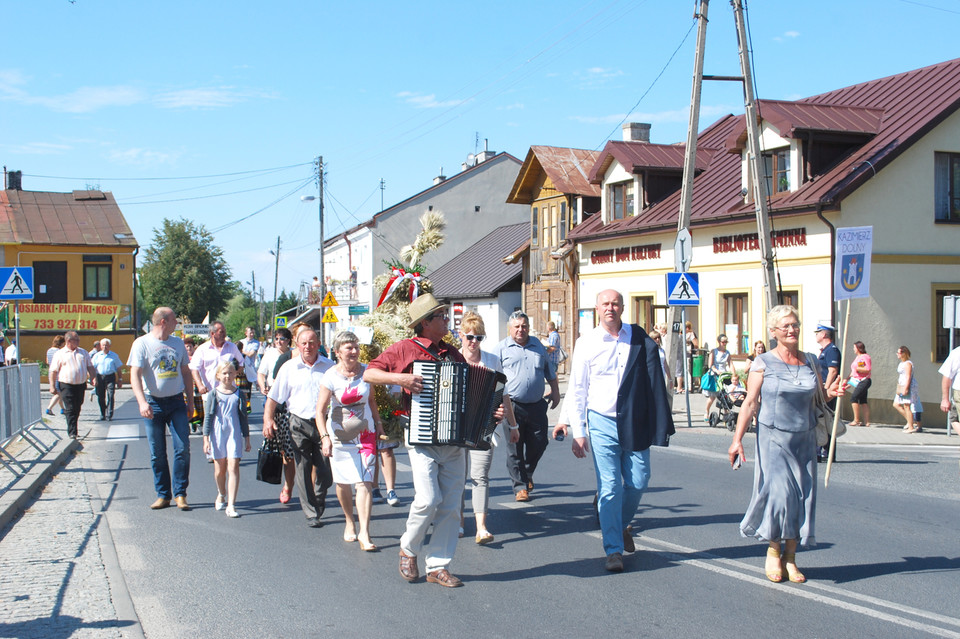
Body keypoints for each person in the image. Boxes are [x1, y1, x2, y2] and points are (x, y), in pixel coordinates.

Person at [553, 290, 675, 573]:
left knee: (639, 479)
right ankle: (613, 550)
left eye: (615, 304)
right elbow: (578, 388)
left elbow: (657, 374)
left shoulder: (638, 338)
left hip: (634, 420)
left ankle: (618, 526)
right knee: (610, 486)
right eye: (605, 304)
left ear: (622, 308)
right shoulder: (587, 343)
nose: (611, 308)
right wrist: (575, 428)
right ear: (597, 308)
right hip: (601, 421)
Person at [728, 306, 842, 584]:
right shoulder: (763, 362)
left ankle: (791, 558)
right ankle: (773, 549)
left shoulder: (812, 361)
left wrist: (832, 393)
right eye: (786, 326)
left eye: (795, 325)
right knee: (780, 496)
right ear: (774, 332)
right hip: (774, 437)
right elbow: (750, 403)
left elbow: (818, 399)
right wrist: (737, 439)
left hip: (804, 438)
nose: (792, 330)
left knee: (802, 497)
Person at [364, 293, 467, 587]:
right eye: (441, 316)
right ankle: (409, 548)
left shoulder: (452, 353)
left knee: (451, 505)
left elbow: (470, 390)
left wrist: (491, 410)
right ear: (425, 323)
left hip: (453, 439)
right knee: (428, 498)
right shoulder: (405, 349)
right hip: (421, 435)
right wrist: (402, 380)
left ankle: (438, 566)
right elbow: (370, 373)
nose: (446, 320)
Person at [317, 331, 384, 551]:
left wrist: (379, 423)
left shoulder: (367, 372)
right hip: (339, 435)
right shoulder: (330, 376)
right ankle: (349, 521)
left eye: (355, 347)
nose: (354, 351)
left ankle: (365, 531)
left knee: (364, 482)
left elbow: (372, 400)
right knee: (343, 483)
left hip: (365, 435)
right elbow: (320, 412)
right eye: (348, 347)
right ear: (337, 352)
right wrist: (324, 437)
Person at [458, 312, 518, 545]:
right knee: (457, 477)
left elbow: (503, 395)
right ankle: (459, 520)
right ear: (461, 336)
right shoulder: (453, 359)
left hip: (484, 426)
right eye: (470, 337)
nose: (474, 342)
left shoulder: (492, 360)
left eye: (479, 338)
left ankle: (481, 527)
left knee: (480, 476)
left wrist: (513, 424)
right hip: (457, 425)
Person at [264, 328, 334, 527]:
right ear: (297, 344)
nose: (308, 347)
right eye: (304, 343)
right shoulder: (289, 368)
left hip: (324, 425)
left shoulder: (330, 367)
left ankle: (319, 498)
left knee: (326, 472)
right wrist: (268, 419)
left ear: (318, 343)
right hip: (298, 422)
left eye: (312, 343)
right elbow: (274, 397)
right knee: (302, 468)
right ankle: (311, 512)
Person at [128, 308, 195, 510]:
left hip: (176, 402)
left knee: (182, 448)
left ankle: (180, 493)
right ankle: (163, 494)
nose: (177, 323)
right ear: (164, 322)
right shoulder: (142, 343)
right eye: (175, 320)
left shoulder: (177, 343)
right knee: (157, 452)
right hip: (153, 403)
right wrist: (141, 402)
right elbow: (135, 374)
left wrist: (190, 401)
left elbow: (185, 372)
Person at [493, 310, 561, 502]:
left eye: (524, 326)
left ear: (528, 328)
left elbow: (550, 371)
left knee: (540, 442)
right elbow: (492, 378)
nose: (520, 330)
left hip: (536, 404)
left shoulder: (538, 345)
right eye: (517, 327)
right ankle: (520, 486)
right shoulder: (500, 349)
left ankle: (527, 472)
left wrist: (555, 391)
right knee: (514, 447)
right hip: (512, 405)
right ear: (510, 328)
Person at [203, 360, 251, 518]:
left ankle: (231, 504)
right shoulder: (213, 394)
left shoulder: (239, 394)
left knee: (233, 467)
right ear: (218, 375)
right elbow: (208, 418)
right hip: (217, 434)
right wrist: (206, 438)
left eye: (231, 373)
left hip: (234, 433)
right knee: (219, 470)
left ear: (235, 374)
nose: (227, 376)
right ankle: (221, 493)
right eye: (224, 373)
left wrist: (247, 438)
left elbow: (243, 418)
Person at [258, 328, 296, 502]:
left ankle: (294, 487)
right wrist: (262, 386)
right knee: (282, 449)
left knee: (295, 452)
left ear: (289, 340)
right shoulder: (271, 354)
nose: (279, 341)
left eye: (282, 339)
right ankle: (286, 484)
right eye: (277, 339)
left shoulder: (296, 356)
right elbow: (262, 373)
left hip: (293, 405)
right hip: (276, 402)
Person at [49, 331, 97, 439]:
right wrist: (52, 386)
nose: (79, 341)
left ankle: (74, 427)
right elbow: (53, 371)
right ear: (69, 341)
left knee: (77, 406)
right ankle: (72, 432)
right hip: (66, 384)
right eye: (77, 340)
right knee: (70, 407)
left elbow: (90, 367)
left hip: (80, 384)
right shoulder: (60, 354)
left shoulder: (83, 352)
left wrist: (93, 377)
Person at [190, 321, 245, 401]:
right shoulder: (202, 349)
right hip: (210, 393)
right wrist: (200, 385)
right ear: (212, 333)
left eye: (225, 331)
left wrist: (234, 373)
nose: (224, 334)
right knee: (210, 413)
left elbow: (241, 362)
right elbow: (194, 369)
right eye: (221, 332)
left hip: (229, 393)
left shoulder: (232, 347)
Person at [814, 322, 841, 462]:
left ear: (824, 334)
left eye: (817, 332)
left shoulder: (832, 350)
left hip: (828, 390)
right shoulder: (825, 350)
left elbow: (833, 371)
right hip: (823, 388)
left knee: (826, 421)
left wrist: (826, 389)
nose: (816, 335)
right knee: (821, 420)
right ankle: (821, 450)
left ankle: (827, 451)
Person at [704, 333, 736, 420]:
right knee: (713, 396)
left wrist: (734, 375)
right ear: (719, 342)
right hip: (715, 373)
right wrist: (716, 371)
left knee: (726, 394)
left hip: (724, 374)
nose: (724, 344)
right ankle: (707, 411)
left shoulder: (727, 353)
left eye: (726, 342)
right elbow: (710, 365)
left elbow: (730, 364)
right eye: (723, 342)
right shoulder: (714, 351)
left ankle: (726, 413)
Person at [91, 338, 123, 421]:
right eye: (103, 345)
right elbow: (92, 368)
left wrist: (120, 379)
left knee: (111, 395)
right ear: (100, 346)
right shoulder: (96, 356)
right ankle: (103, 413)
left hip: (110, 377)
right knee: (100, 396)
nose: (105, 347)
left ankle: (109, 413)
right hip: (99, 377)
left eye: (106, 345)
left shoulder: (114, 356)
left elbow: (119, 368)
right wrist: (93, 378)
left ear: (109, 346)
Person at [893, 345, 923, 433]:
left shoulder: (908, 364)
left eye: (898, 353)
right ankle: (910, 421)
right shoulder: (901, 363)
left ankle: (910, 427)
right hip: (901, 386)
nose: (897, 354)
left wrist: (906, 388)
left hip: (908, 386)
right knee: (896, 404)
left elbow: (908, 376)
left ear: (903, 354)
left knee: (907, 405)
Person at [846, 341, 872, 427]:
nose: (853, 349)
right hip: (858, 380)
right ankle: (866, 421)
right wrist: (847, 380)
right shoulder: (858, 357)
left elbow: (867, 369)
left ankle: (856, 419)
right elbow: (854, 372)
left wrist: (857, 369)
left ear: (858, 348)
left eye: (854, 347)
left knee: (854, 398)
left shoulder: (864, 357)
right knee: (863, 401)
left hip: (864, 380)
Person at [939, 344, 960, 437]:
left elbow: (947, 377)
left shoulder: (957, 352)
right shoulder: (957, 353)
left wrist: (945, 399)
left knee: (953, 418)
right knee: (953, 418)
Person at [238, 326, 260, 410]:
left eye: (253, 333)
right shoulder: (241, 341)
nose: (252, 334)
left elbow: (251, 354)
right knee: (239, 388)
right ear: (246, 333)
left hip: (250, 368)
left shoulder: (255, 343)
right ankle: (240, 405)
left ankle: (247, 406)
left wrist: (241, 350)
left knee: (247, 388)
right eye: (250, 332)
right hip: (240, 369)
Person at [45, 335, 66, 416]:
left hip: (51, 372)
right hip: (58, 373)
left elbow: (47, 361)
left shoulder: (49, 350)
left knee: (59, 393)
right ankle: (49, 408)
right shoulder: (59, 351)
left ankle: (62, 409)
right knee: (58, 393)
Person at [677, 321, 699, 394]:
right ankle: (683, 385)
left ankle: (689, 386)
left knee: (688, 370)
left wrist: (695, 352)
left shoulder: (691, 334)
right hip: (680, 354)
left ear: (687, 328)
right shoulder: (680, 334)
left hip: (688, 354)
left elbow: (696, 344)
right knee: (681, 370)